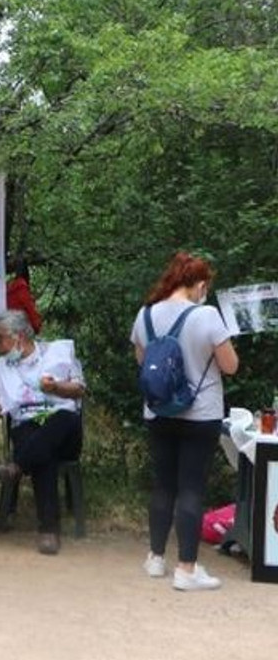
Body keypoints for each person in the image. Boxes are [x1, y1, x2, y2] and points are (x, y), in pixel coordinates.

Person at [130, 251, 238, 591]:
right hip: (200, 413)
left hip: (158, 412)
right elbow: (230, 366)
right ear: (200, 284)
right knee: (191, 488)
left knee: (163, 485)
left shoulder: (145, 314)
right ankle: (187, 569)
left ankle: (155, 558)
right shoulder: (207, 316)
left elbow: (142, 361)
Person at [0, 309, 85, 555]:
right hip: (29, 429)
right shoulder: (1, 368)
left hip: (65, 430)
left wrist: (56, 387)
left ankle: (18, 466)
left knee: (62, 419)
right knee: (41, 449)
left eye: (0, 338)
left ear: (19, 337)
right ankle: (48, 531)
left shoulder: (57, 352)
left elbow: (78, 391)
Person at [6, 256, 42, 334]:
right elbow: (30, 309)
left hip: (8, 326)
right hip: (21, 328)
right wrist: (37, 326)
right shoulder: (22, 289)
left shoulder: (8, 289)